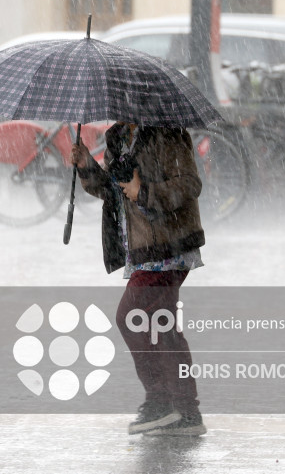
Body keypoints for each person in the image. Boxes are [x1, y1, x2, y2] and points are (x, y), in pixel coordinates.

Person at [70, 121, 207, 436]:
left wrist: (145, 192)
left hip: (168, 246)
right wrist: (86, 166)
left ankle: (168, 403)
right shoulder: (118, 135)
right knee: (159, 324)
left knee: (134, 317)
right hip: (143, 246)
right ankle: (181, 409)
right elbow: (112, 190)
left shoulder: (168, 132)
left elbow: (189, 183)